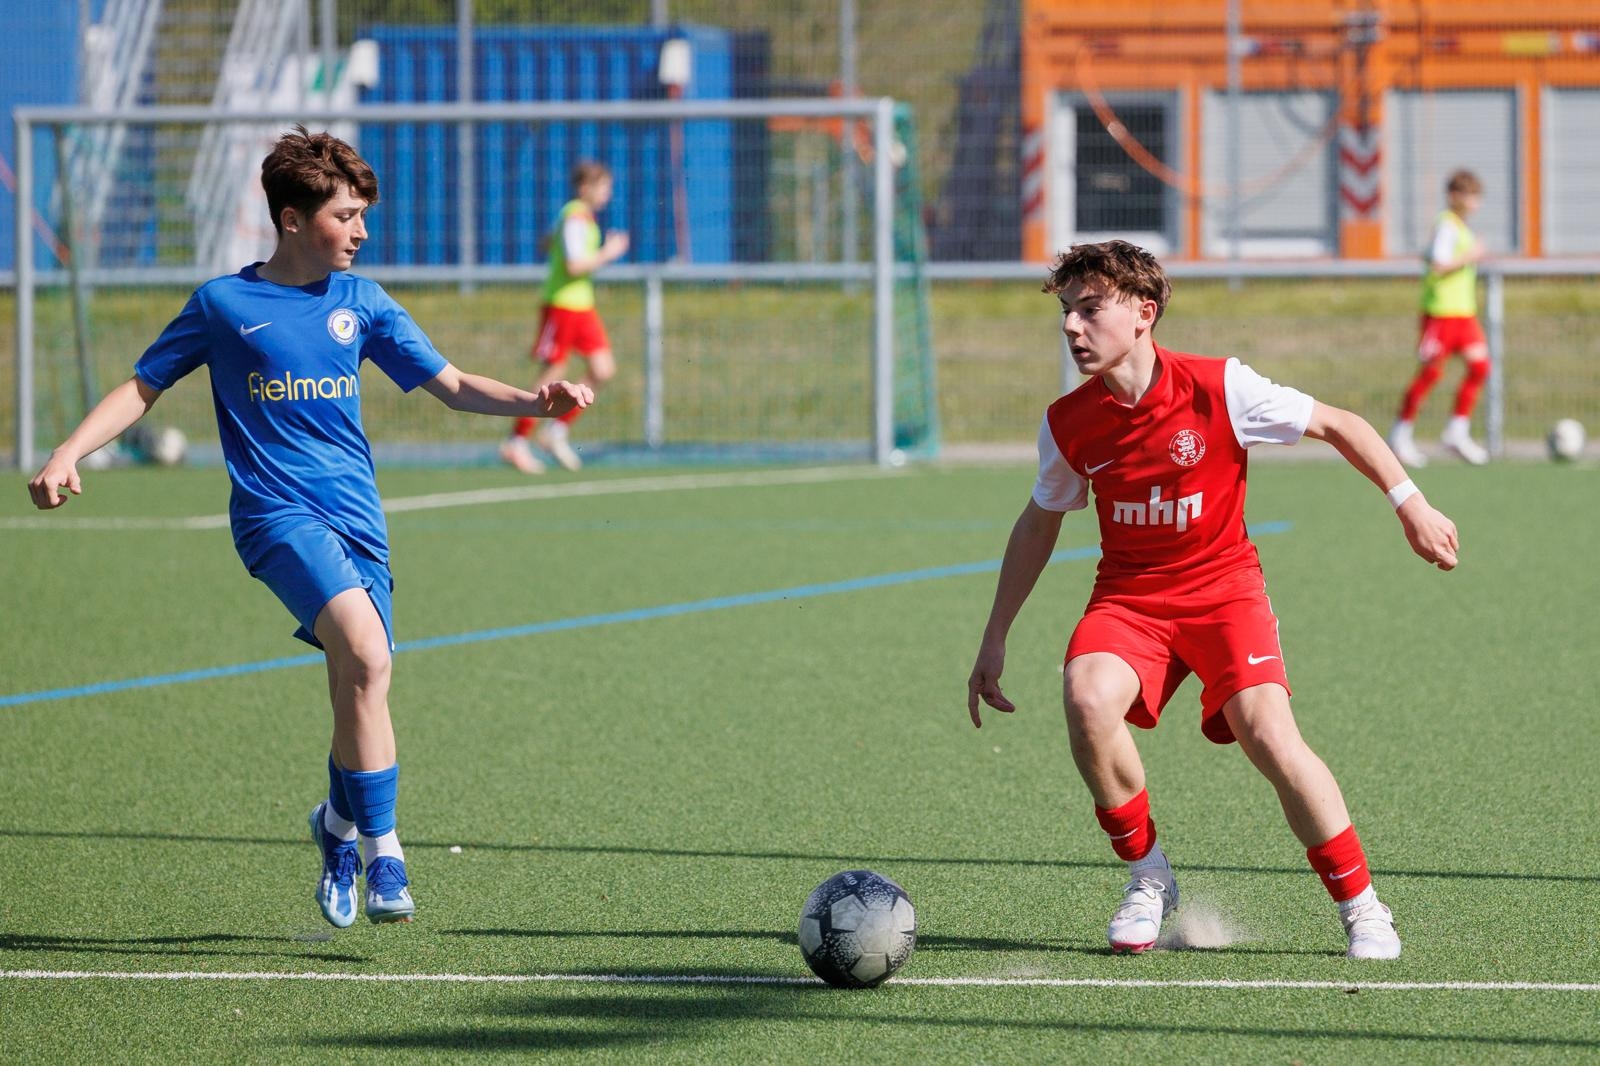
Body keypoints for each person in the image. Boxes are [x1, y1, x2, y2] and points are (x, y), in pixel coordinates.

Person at [27, 126, 593, 929]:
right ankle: (385, 852)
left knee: (360, 685)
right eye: (345, 216)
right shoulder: (223, 305)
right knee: (366, 654)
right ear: (292, 219)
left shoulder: (364, 303)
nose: (360, 232)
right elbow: (143, 387)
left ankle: (334, 828)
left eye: (363, 216)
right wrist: (68, 450)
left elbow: (453, 384)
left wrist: (537, 402)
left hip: (358, 520)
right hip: (275, 516)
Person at [965, 241, 1460, 960]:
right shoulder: (1068, 421)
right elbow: (1040, 521)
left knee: (1268, 734)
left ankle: (1362, 905)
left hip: (1225, 592)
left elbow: (1339, 424)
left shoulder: (1220, 387)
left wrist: (1410, 504)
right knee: (1087, 697)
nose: (1072, 326)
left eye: (1090, 309)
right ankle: (1148, 876)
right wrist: (995, 636)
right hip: (1130, 599)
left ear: (1144, 313)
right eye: (1067, 311)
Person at [499, 160, 629, 474]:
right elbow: (573, 265)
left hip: (582, 307)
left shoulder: (579, 217)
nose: (607, 194)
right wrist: (608, 253)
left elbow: (549, 243)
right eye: (603, 187)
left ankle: (555, 431)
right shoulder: (575, 217)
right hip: (562, 306)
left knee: (603, 368)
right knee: (551, 374)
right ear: (585, 188)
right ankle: (517, 441)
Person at [1388, 169, 1490, 467]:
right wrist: (1471, 255)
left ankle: (1457, 431)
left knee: (1480, 367)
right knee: (1430, 374)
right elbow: (1438, 264)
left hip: (1463, 314)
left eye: (1477, 196)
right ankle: (1400, 434)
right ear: (1455, 196)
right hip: (1441, 313)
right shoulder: (1446, 225)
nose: (1475, 202)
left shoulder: (1460, 226)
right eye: (1470, 195)